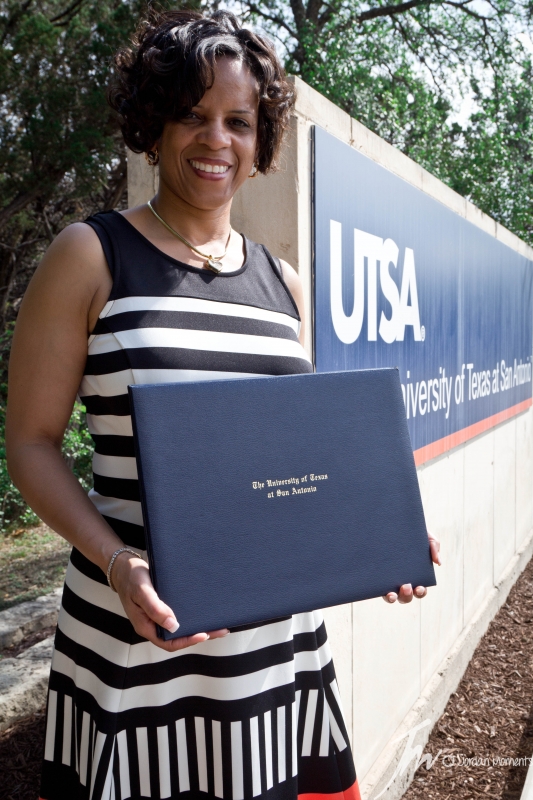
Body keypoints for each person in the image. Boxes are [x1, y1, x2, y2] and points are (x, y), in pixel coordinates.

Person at [6, 10, 440, 800]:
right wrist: (117, 563)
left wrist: (379, 536)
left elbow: (297, 455)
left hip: (274, 652)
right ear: (154, 123)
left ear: (260, 136)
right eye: (191, 114)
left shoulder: (284, 284)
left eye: (238, 121)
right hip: (137, 643)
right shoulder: (90, 255)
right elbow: (31, 444)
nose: (216, 139)